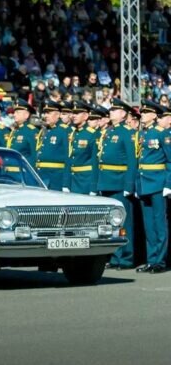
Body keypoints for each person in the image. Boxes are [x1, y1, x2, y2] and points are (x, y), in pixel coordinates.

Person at [98, 98, 137, 270]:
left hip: (120, 181)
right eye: (111, 110)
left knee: (124, 222)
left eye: (114, 110)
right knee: (110, 222)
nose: (111, 112)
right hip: (106, 180)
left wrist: (129, 185)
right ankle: (115, 257)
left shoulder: (127, 132)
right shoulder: (109, 131)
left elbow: (131, 161)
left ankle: (126, 258)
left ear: (123, 114)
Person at [134, 100, 168, 274]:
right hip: (144, 182)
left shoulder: (162, 134)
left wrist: (168, 184)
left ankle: (160, 261)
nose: (143, 115)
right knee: (149, 225)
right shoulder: (143, 134)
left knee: (159, 223)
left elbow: (170, 160)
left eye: (146, 113)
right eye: (142, 112)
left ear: (154, 115)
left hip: (158, 182)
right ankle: (151, 259)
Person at [62, 101, 99, 196]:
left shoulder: (92, 134)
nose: (74, 116)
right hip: (72, 180)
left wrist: (93, 187)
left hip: (85, 181)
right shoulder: (72, 133)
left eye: (77, 113)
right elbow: (68, 159)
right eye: (73, 113)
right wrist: (66, 183)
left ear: (86, 116)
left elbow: (95, 162)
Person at [35, 99, 70, 191]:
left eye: (49, 113)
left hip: (56, 178)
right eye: (45, 113)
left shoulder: (64, 130)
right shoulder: (46, 130)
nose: (45, 116)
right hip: (42, 176)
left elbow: (68, 157)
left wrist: (66, 183)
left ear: (58, 115)